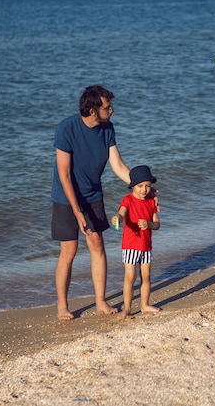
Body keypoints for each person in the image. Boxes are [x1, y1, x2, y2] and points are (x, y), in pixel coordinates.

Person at [51, 85, 131, 321]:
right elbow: (64, 175)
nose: (112, 110)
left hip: (93, 194)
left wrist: (141, 184)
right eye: (107, 107)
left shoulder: (107, 129)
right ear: (94, 110)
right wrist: (77, 212)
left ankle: (100, 302)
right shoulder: (67, 129)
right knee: (69, 250)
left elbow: (117, 166)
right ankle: (62, 306)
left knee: (97, 245)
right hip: (66, 197)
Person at [110, 165, 161, 320]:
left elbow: (157, 224)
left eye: (147, 186)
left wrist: (149, 224)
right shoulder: (128, 200)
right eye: (140, 186)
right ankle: (127, 309)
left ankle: (144, 305)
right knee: (130, 277)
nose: (144, 189)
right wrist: (117, 218)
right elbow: (122, 213)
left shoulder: (151, 202)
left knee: (146, 276)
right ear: (132, 186)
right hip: (131, 245)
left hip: (146, 246)